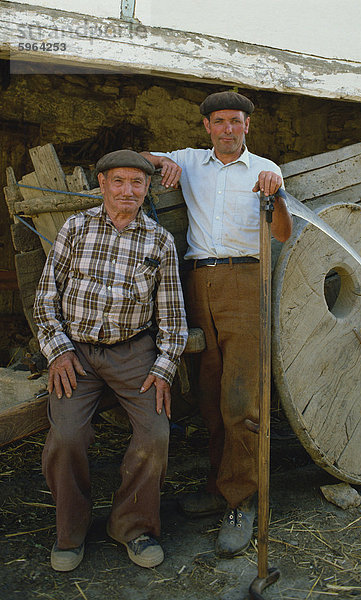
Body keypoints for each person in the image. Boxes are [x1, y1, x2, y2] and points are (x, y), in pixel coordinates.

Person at [142, 91, 292, 558]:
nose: (229, 129)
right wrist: (158, 164)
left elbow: (282, 233)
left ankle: (240, 500)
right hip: (197, 281)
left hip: (247, 279)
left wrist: (277, 194)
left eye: (237, 121)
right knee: (207, 393)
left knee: (242, 396)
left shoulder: (267, 169)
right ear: (207, 126)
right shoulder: (190, 161)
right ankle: (218, 486)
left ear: (248, 126)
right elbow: (141, 158)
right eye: (220, 121)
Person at [33, 150, 188, 572]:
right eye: (118, 182)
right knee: (65, 439)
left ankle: (132, 527)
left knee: (155, 434)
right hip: (76, 353)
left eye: (137, 183)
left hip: (133, 352)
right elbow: (46, 298)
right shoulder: (76, 227)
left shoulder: (158, 240)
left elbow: (173, 316)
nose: (128, 191)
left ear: (147, 189)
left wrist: (163, 368)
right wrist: (58, 350)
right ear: (102, 185)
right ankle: (71, 532)